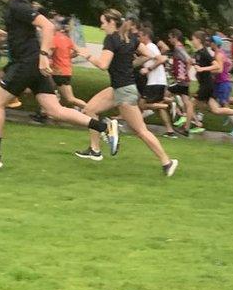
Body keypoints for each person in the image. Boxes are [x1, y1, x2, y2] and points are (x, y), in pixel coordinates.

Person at [0, 0, 116, 169]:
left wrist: (44, 55)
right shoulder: (18, 4)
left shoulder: (18, 5)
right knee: (55, 110)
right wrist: (7, 37)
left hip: (27, 63)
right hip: (32, 63)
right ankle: (105, 127)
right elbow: (27, 34)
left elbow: (47, 26)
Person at [74, 9, 178, 176]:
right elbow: (153, 56)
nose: (101, 26)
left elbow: (103, 65)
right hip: (119, 88)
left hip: (124, 91)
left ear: (111, 23)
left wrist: (86, 55)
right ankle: (95, 150)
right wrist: (131, 64)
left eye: (103, 22)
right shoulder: (132, 39)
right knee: (89, 110)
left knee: (141, 131)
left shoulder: (111, 39)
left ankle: (167, 162)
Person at [190, 31, 233, 135]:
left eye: (210, 42)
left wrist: (204, 70)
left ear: (214, 43)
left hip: (222, 83)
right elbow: (229, 64)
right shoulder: (218, 54)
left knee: (224, 104)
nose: (209, 44)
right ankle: (199, 120)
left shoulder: (219, 55)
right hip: (219, 82)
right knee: (213, 105)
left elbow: (219, 69)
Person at [136, 26, 175, 136]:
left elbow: (162, 59)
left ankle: (168, 104)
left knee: (142, 105)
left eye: (140, 36)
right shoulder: (149, 47)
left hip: (155, 82)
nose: (138, 38)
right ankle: (170, 131)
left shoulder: (150, 46)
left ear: (146, 36)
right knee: (157, 106)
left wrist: (148, 69)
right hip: (158, 81)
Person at [49, 18, 88, 109]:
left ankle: (90, 109)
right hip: (66, 71)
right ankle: (45, 112)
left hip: (58, 72)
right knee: (47, 91)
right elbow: (77, 51)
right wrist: (68, 57)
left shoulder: (54, 39)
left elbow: (49, 54)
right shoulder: (66, 39)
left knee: (70, 99)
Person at [166, 29, 196, 136]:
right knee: (187, 103)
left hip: (181, 81)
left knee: (163, 96)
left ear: (175, 37)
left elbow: (189, 60)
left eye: (170, 37)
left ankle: (175, 109)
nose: (169, 40)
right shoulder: (179, 48)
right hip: (183, 81)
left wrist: (184, 74)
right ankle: (186, 129)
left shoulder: (178, 48)